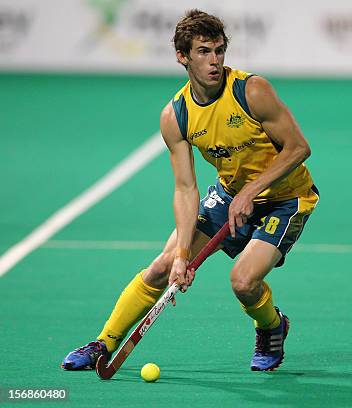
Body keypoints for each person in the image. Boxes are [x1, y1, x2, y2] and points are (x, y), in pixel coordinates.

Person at [61, 9, 319, 372]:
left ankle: (272, 326)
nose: (214, 61)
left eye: (219, 51)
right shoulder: (176, 116)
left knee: (243, 282)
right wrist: (183, 253)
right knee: (163, 265)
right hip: (229, 196)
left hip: (286, 198)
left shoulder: (251, 91)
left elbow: (298, 148)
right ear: (182, 56)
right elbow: (185, 188)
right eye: (203, 52)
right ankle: (103, 343)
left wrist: (252, 191)